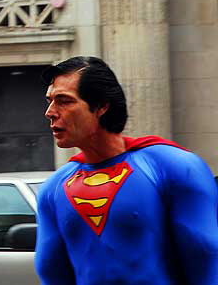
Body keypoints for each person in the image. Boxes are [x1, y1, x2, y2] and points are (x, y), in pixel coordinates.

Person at [36, 56, 218, 284]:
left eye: (64, 101)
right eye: (50, 101)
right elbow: (52, 275)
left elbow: (205, 259)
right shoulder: (53, 190)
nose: (50, 112)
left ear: (101, 106)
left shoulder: (174, 168)